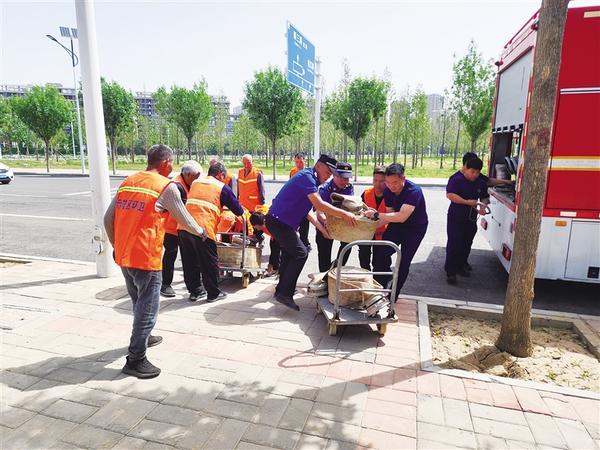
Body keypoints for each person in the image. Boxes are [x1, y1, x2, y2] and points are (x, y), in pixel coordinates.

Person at [104, 144, 206, 379]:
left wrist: (117, 246)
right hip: (145, 257)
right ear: (167, 162)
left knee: (138, 302)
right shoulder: (165, 187)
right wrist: (201, 232)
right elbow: (184, 218)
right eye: (172, 162)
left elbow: (108, 218)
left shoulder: (128, 181)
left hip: (125, 256)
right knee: (148, 309)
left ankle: (145, 336)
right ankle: (136, 359)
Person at [266, 153, 358, 310]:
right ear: (319, 166)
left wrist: (322, 229)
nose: (328, 177)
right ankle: (285, 293)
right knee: (301, 253)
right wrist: (344, 214)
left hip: (281, 223)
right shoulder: (307, 177)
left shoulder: (311, 179)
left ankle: (281, 290)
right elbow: (320, 205)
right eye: (328, 172)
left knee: (290, 253)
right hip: (278, 222)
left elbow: (309, 212)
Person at [179, 161, 244, 302]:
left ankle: (195, 291)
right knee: (209, 262)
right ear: (221, 175)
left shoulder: (196, 182)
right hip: (203, 229)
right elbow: (238, 210)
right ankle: (214, 293)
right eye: (224, 177)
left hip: (184, 226)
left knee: (189, 261)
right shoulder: (221, 187)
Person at [365, 163, 428, 301]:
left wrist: (376, 215)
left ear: (403, 178)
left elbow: (401, 217)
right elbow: (389, 215)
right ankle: (380, 288)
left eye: (395, 182)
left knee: (403, 262)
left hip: (415, 229)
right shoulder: (388, 191)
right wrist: (368, 227)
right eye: (388, 182)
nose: (391, 186)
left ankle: (393, 295)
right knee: (381, 253)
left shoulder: (414, 191)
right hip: (397, 226)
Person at [160, 160, 203, 299]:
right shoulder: (177, 186)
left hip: (182, 227)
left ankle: (194, 286)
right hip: (172, 228)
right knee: (172, 254)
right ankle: (165, 284)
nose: (197, 180)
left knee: (188, 256)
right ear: (188, 175)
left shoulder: (187, 183)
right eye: (196, 177)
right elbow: (181, 211)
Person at [444, 156, 490, 285]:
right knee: (454, 243)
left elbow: (485, 197)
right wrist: (467, 202)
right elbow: (450, 195)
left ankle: (461, 266)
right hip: (456, 216)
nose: (475, 175)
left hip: (471, 218)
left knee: (466, 243)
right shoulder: (456, 179)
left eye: (477, 172)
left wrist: (483, 206)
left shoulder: (480, 182)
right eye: (472, 172)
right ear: (465, 169)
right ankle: (451, 272)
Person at [315, 162, 354, 272]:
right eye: (341, 177)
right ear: (334, 175)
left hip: (342, 223)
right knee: (324, 253)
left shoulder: (349, 188)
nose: (344, 181)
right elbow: (319, 212)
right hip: (326, 223)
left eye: (347, 178)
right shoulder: (325, 189)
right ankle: (324, 275)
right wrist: (326, 221)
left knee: (349, 243)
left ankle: (337, 268)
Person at [359, 166, 387, 271]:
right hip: (366, 233)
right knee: (363, 258)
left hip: (383, 234)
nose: (378, 184)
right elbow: (359, 211)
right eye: (375, 180)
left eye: (382, 181)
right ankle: (366, 277)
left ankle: (377, 278)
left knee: (379, 262)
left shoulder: (391, 196)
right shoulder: (366, 193)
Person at [249, 210, 281, 275]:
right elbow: (256, 231)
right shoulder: (259, 223)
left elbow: (275, 250)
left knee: (276, 250)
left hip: (281, 235)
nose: (255, 228)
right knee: (273, 247)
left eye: (256, 226)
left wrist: (271, 264)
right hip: (273, 234)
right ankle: (274, 267)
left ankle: (277, 269)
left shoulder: (272, 224)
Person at [290, 152, 311, 251]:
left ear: (305, 162)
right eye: (297, 162)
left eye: (301, 162)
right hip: (294, 204)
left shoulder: (308, 173)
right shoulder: (292, 172)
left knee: (304, 227)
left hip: (304, 204)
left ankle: (305, 244)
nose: (299, 164)